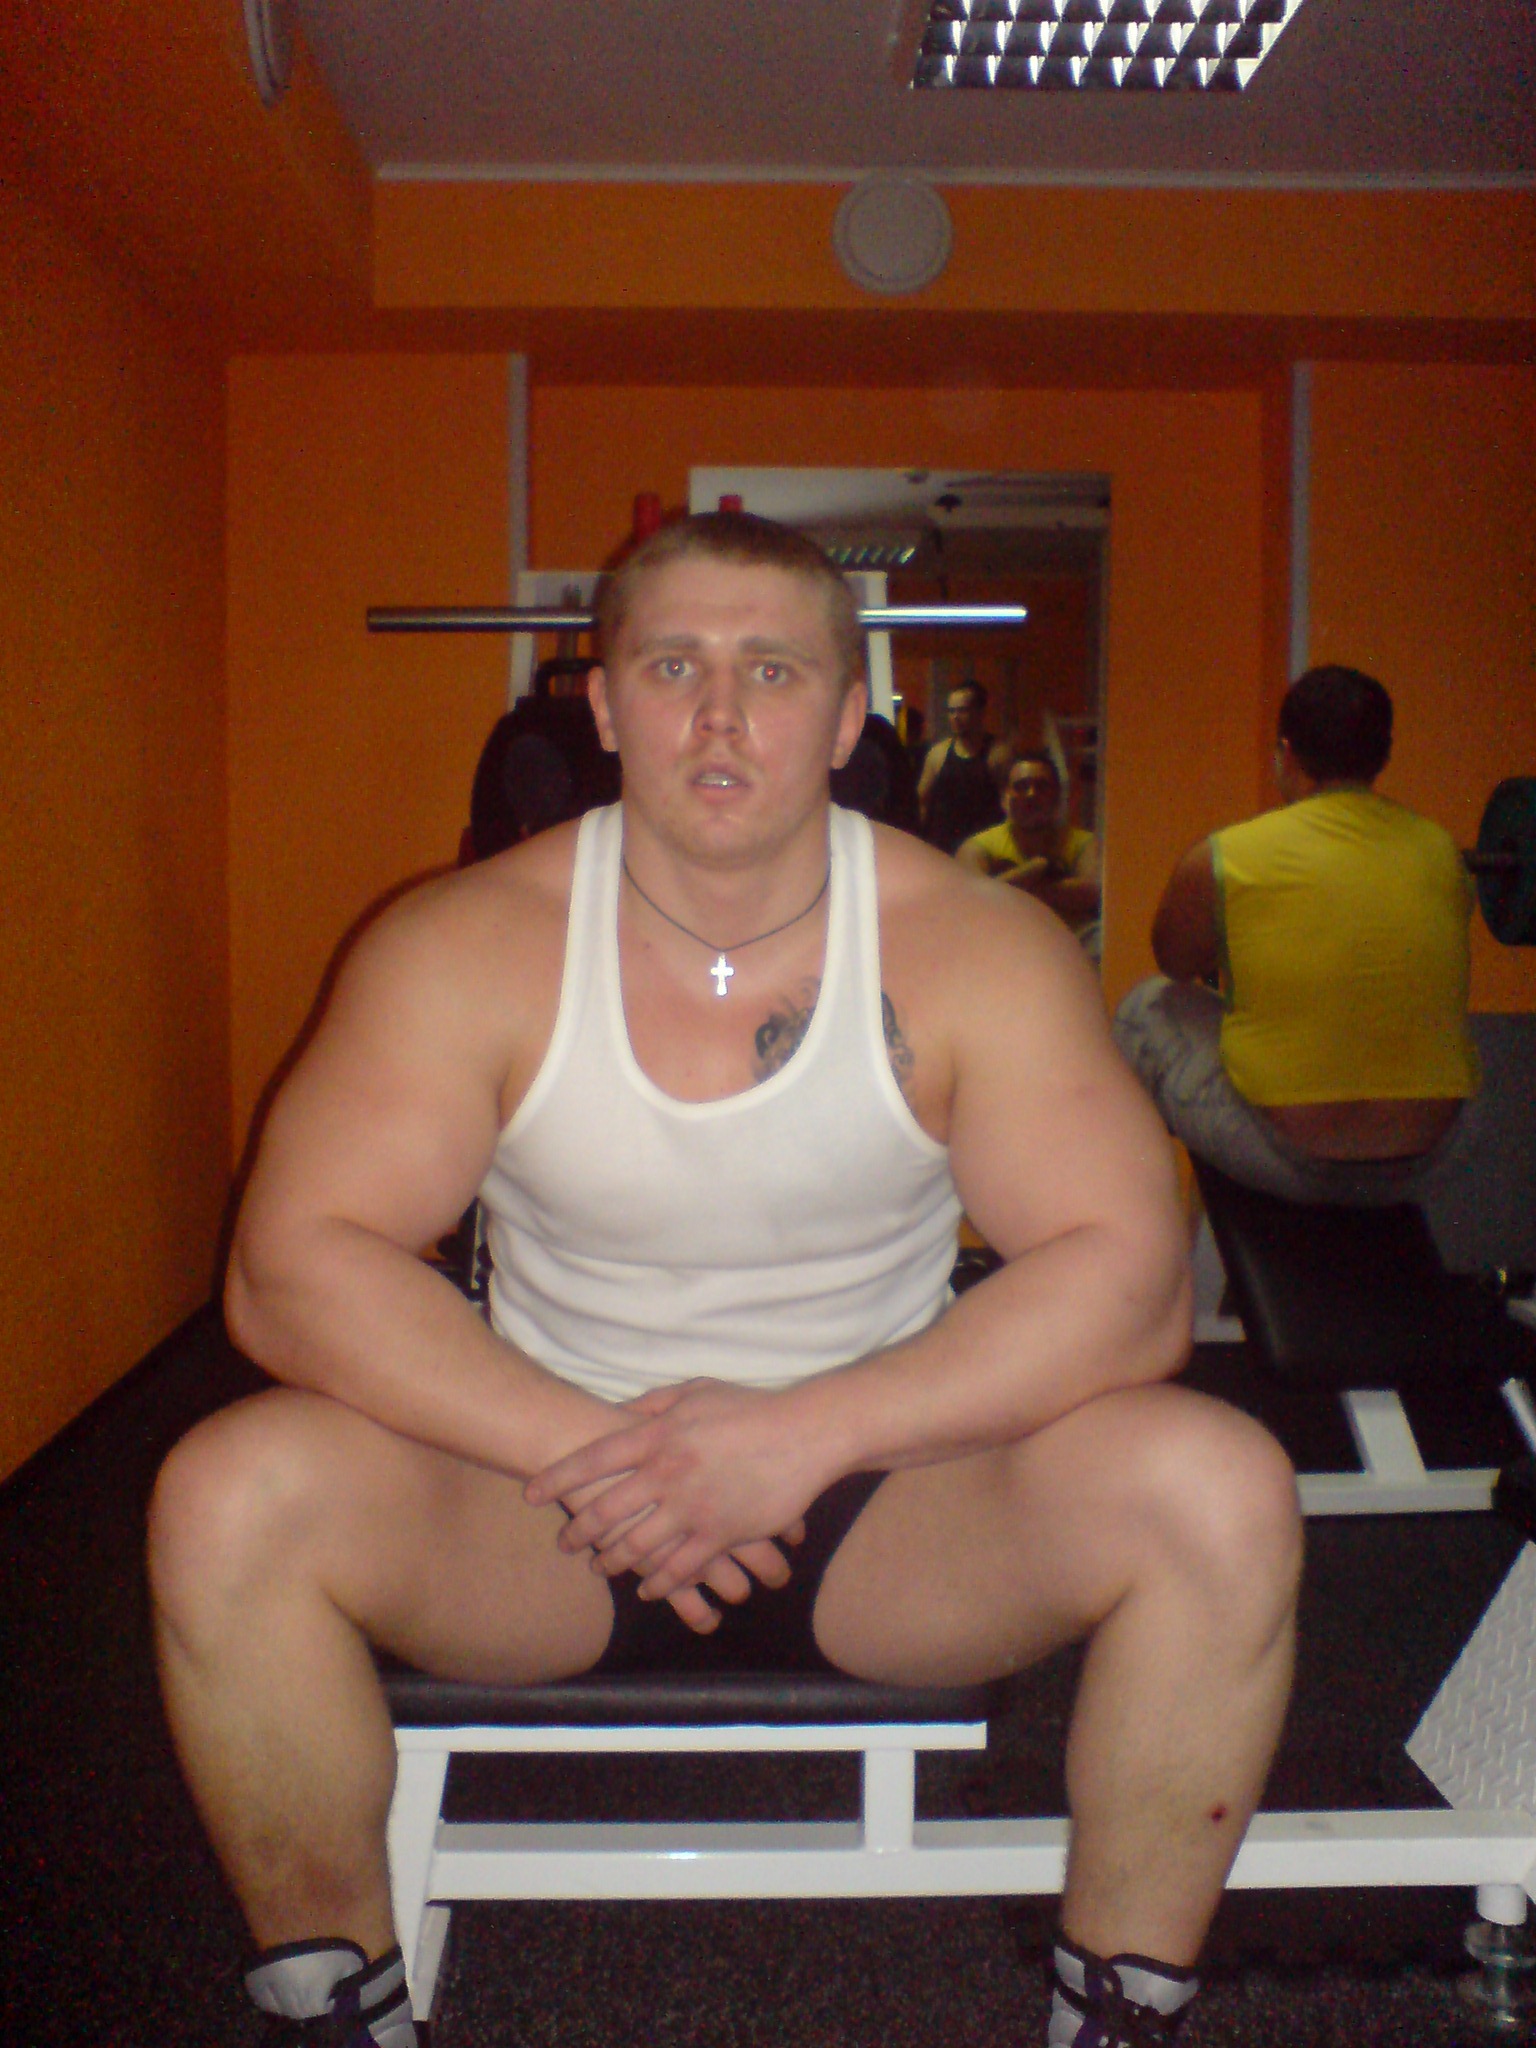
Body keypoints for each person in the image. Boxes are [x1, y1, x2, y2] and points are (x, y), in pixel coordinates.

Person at [147, 512, 1300, 2048]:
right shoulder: (466, 944)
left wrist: (803, 1434)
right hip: (547, 1502)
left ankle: (1121, 2012)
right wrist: (603, 1451)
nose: (718, 713)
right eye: (671, 665)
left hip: (893, 1510)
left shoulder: (975, 947)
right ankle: (340, 2009)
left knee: (1220, 1488)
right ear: (603, 705)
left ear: (848, 716)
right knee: (228, 1496)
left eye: (771, 671)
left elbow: (1131, 1282)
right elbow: (292, 1268)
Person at [1114, 664, 1481, 1206]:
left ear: (1286, 753)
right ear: (1383, 755)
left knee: (1145, 1006)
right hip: (1437, 1155)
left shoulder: (1225, 855)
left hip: (1297, 1164)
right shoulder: (1444, 853)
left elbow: (1175, 962)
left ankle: (1134, 1222)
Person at [957, 750, 1102, 959]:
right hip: (1002, 950)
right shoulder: (977, 847)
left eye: (1042, 786)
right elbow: (972, 902)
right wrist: (1037, 867)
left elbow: (1093, 892)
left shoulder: (1084, 843)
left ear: (1057, 797)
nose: (1031, 794)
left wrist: (1011, 886)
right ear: (1004, 798)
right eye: (1021, 786)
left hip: (1071, 950)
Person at [916, 678, 1012, 854]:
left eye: (962, 710)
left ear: (980, 713)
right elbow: (922, 802)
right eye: (951, 711)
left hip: (982, 849)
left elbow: (1009, 803)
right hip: (943, 848)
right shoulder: (938, 754)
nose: (955, 717)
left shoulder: (997, 755)